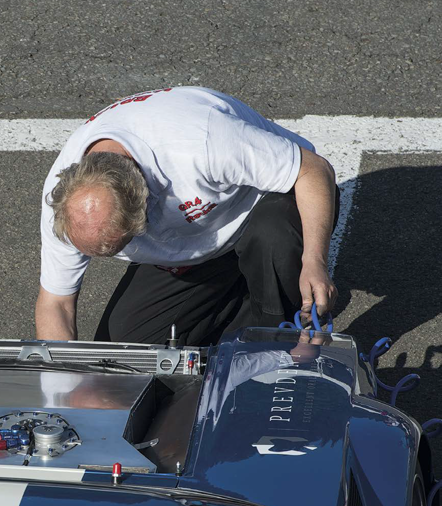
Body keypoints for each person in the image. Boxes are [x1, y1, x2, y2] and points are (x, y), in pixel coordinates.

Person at [35, 87, 340, 345]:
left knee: (273, 234)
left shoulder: (199, 142)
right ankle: (239, 302)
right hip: (194, 248)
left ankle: (280, 343)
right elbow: (56, 303)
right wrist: (67, 381)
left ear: (145, 202)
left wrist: (315, 261)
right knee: (124, 352)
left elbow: (313, 170)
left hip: (263, 211)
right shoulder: (67, 203)